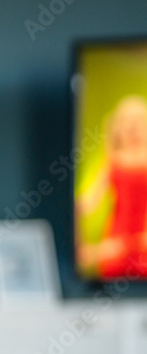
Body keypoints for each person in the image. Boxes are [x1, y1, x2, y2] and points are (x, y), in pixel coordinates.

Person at [77, 94, 147, 278]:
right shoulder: (112, 164)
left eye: (139, 122)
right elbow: (88, 203)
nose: (134, 128)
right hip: (115, 247)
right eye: (127, 123)